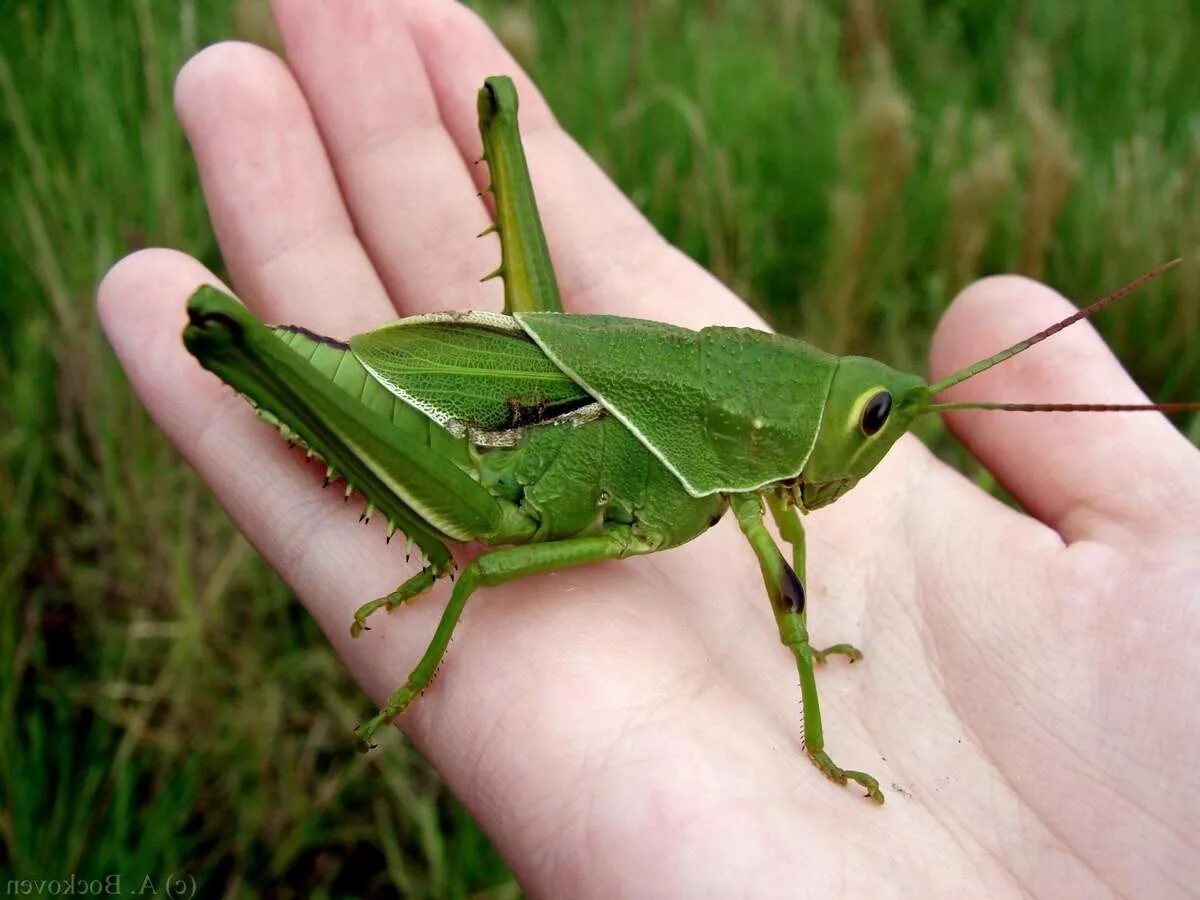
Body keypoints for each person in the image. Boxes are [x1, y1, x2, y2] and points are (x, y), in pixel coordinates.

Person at [97, 2, 1200, 895]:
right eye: (869, 422)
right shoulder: (732, 475)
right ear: (793, 418)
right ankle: (244, 347)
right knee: (484, 533)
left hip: (560, 396)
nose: (863, 447)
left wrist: (807, 674)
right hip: (470, 443)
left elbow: (786, 584)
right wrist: (420, 656)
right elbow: (502, 561)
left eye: (876, 419)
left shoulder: (758, 477)